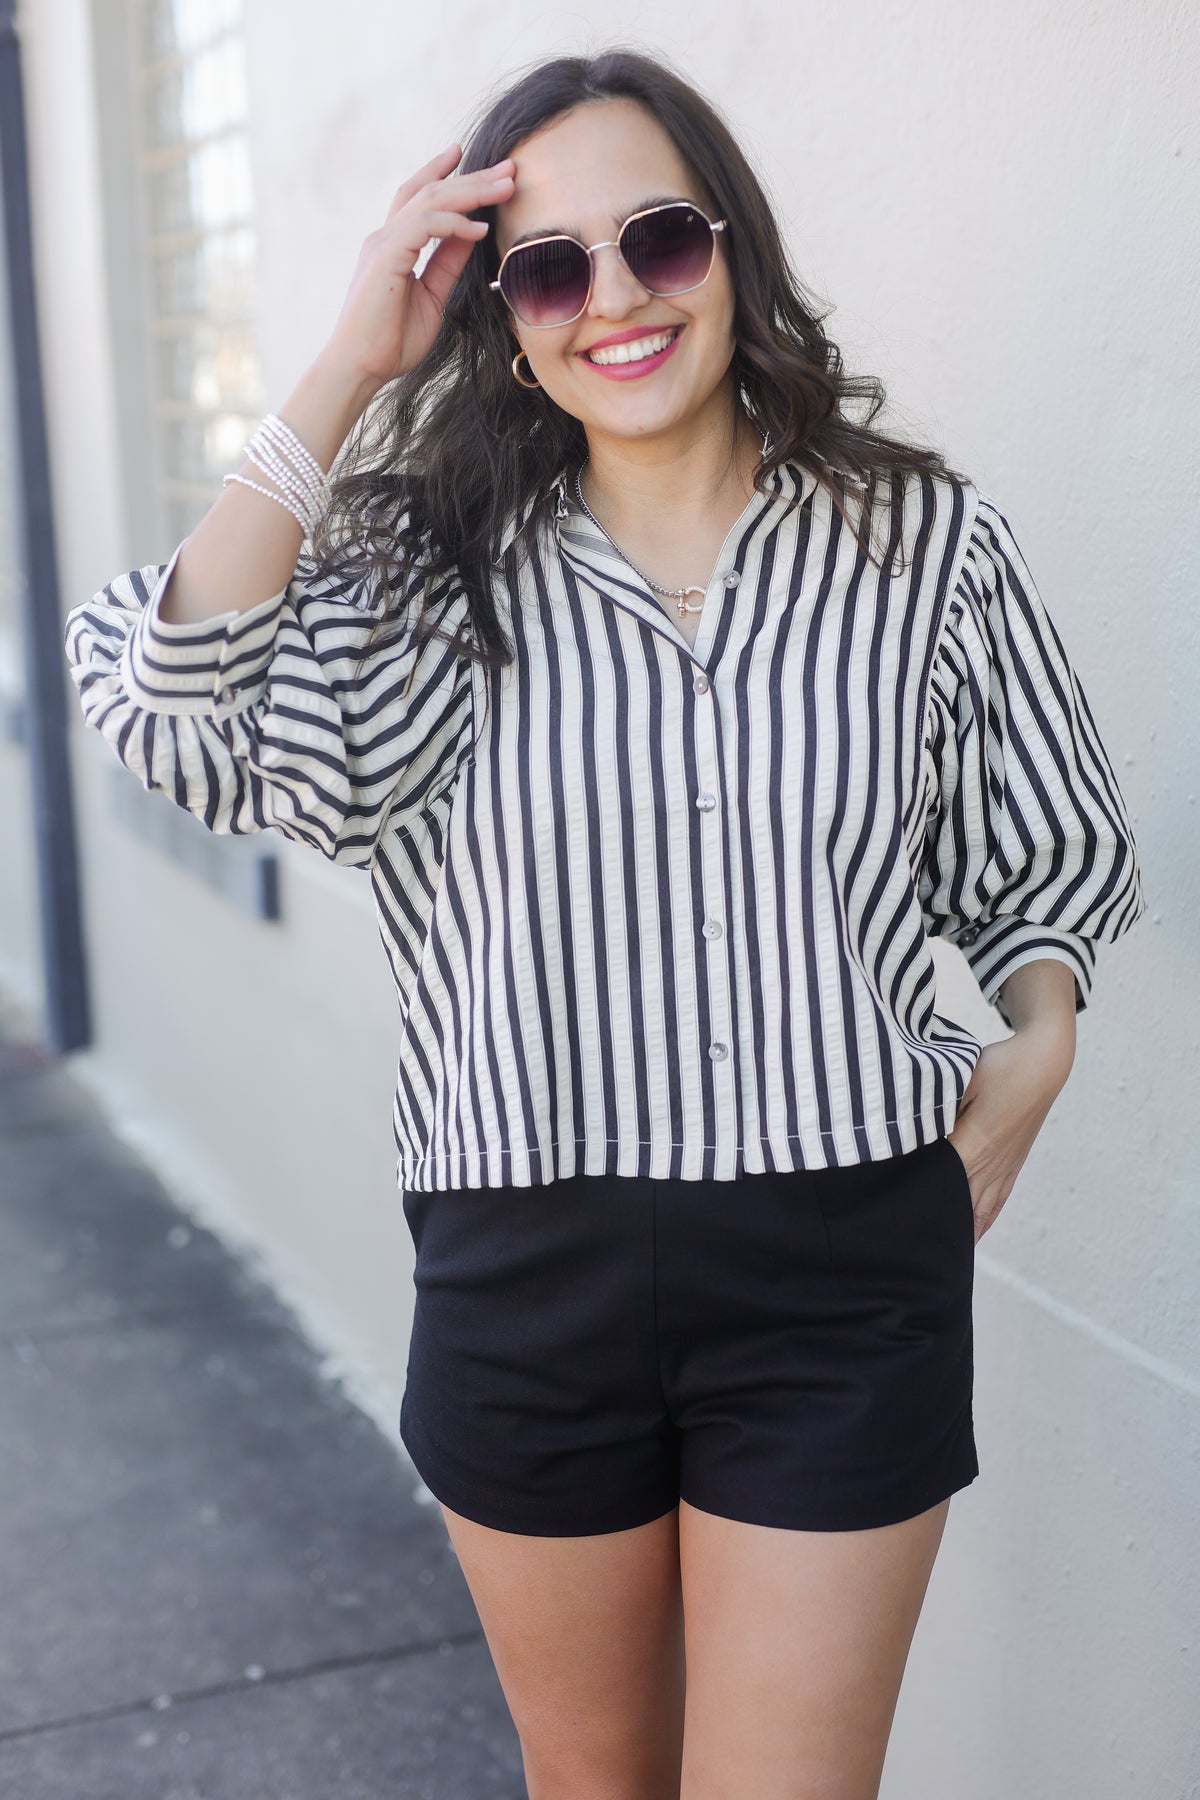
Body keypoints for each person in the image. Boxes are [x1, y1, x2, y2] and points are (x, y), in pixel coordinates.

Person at [64, 46, 1145, 1800]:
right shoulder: (426, 584)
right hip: (527, 1276)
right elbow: (178, 716)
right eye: (551, 267)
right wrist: (349, 361)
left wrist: (1038, 1044)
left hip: (840, 1274)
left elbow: (1046, 855)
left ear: (733, 247)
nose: (614, 299)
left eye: (658, 238)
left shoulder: (918, 545)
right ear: (502, 312)